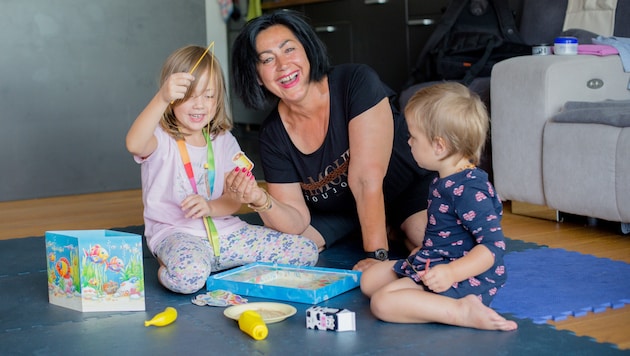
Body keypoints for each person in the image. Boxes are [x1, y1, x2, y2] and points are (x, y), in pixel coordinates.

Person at [227, 10, 436, 271]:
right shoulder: (272, 134)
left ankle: (389, 230)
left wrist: (377, 255)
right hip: (340, 213)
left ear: (307, 50)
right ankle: (372, 228)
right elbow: (296, 218)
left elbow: (366, 179)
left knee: (431, 243)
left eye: (289, 50)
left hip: (406, 189)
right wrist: (261, 200)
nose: (282, 65)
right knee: (286, 248)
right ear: (257, 77)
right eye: (268, 60)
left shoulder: (355, 82)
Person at [126, 45, 318, 294]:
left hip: (228, 235)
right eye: (189, 96)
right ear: (173, 96)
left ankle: (220, 265)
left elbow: (232, 202)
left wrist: (211, 207)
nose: (199, 105)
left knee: (306, 251)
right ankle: (180, 265)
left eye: (209, 96)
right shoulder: (160, 138)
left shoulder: (223, 139)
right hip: (177, 234)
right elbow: (134, 143)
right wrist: (161, 97)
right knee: (188, 278)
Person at [360, 82, 518, 331]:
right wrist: (428, 251)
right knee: (369, 280)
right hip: (438, 260)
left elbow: (492, 247)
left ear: (439, 146)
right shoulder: (443, 178)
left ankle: (461, 311)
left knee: (382, 303)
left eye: (413, 136)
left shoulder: (469, 190)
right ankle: (421, 299)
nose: (409, 142)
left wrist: (451, 273)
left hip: (466, 275)